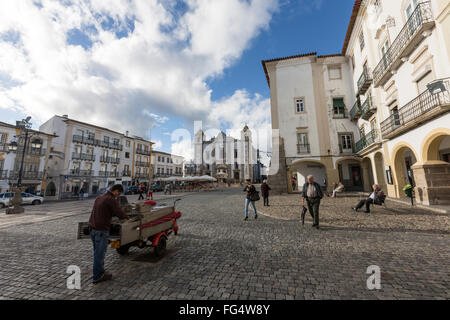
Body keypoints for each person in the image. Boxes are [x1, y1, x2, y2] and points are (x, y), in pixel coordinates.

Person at [88, 184, 129, 284]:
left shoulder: (99, 197)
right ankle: (97, 276)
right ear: (115, 191)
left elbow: (104, 211)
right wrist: (127, 217)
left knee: (97, 253)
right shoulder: (111, 199)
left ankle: (99, 271)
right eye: (118, 194)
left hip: (92, 228)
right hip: (101, 230)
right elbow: (119, 213)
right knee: (99, 254)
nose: (117, 196)